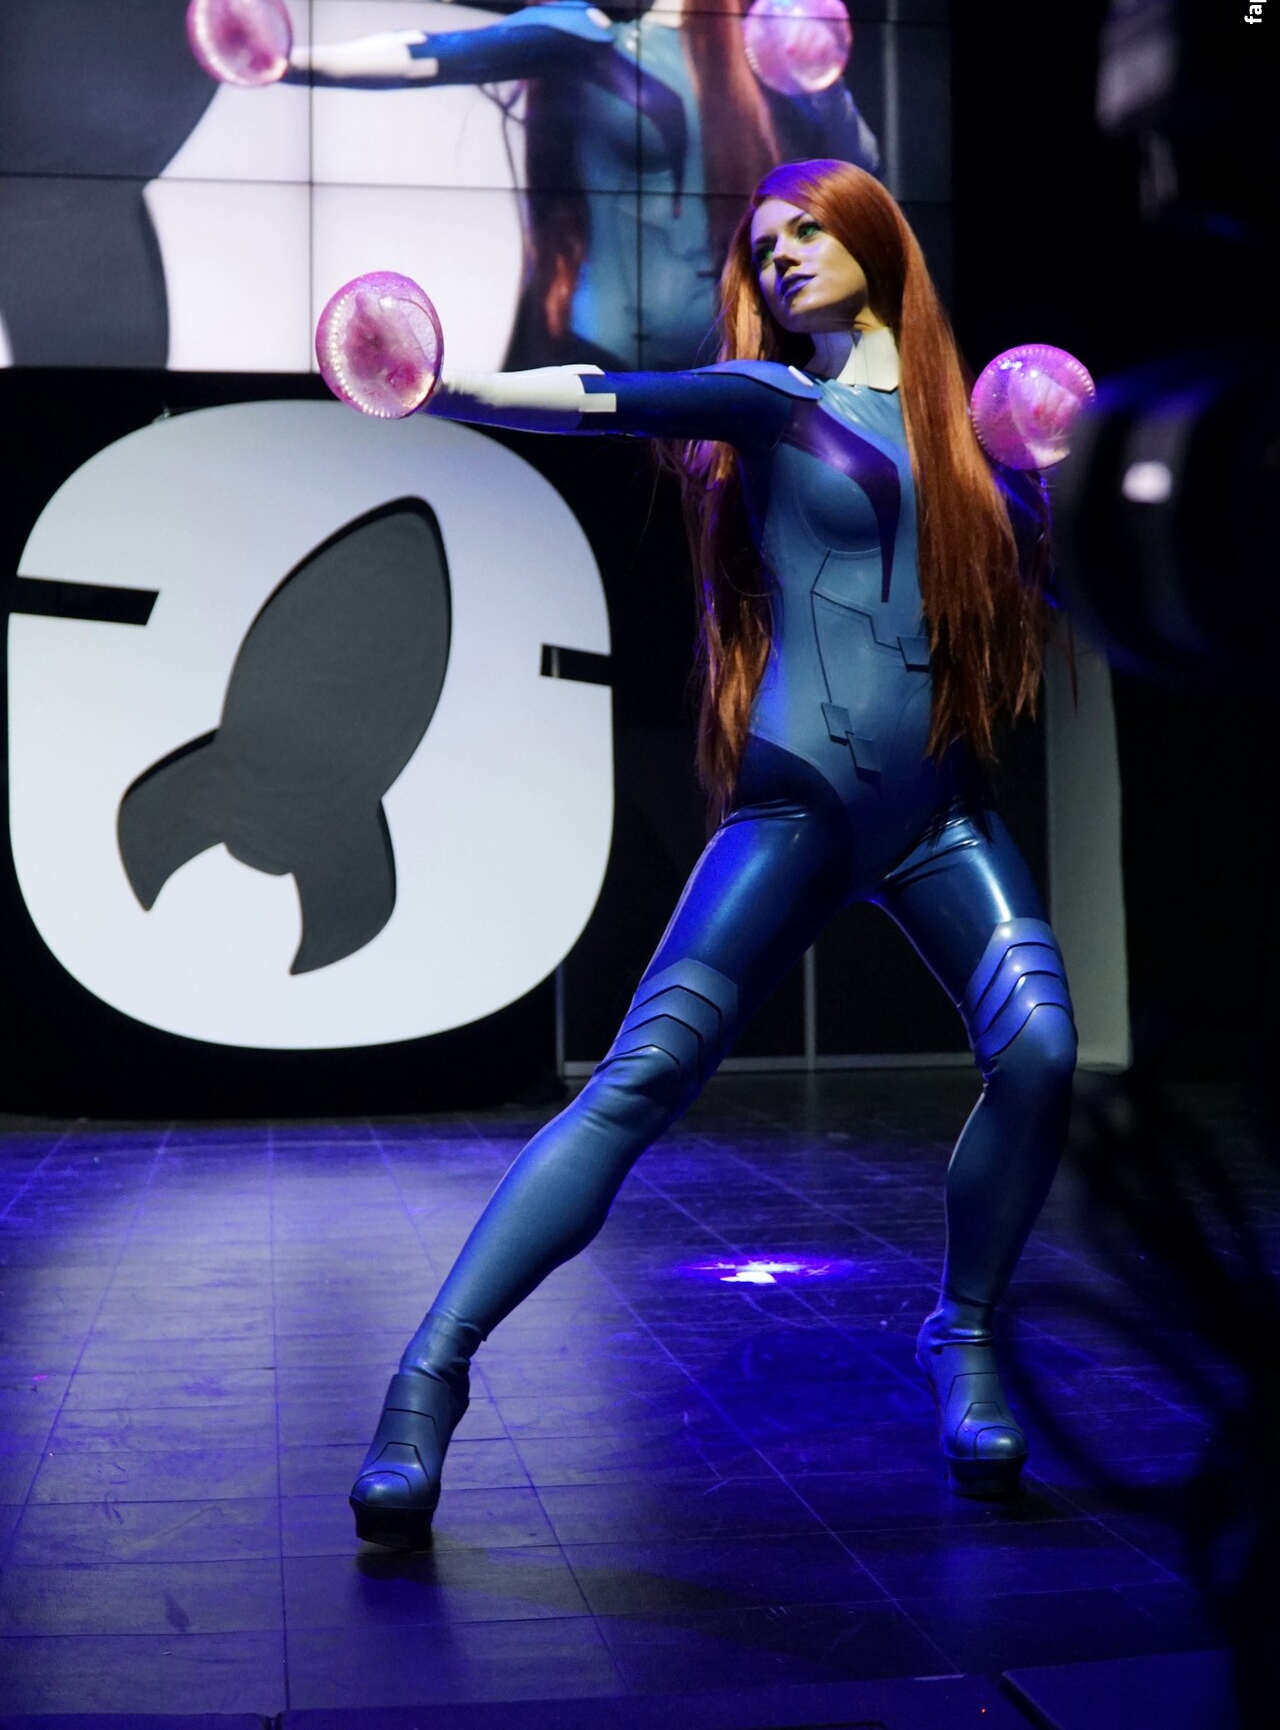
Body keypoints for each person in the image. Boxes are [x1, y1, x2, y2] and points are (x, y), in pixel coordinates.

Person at [348, 157, 1077, 1550]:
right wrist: (446, 387)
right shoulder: (773, 402)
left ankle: (965, 1334)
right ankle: (424, 1382)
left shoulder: (977, 443)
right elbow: (602, 395)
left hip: (940, 818)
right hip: (795, 817)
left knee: (1040, 1054)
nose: (782, 254)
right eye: (765, 243)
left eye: (808, 229)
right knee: (635, 1087)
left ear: (876, 239)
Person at [291, 0, 879, 371]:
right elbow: (432, 53)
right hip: (609, 362)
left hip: (733, 359)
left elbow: (859, 168)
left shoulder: (744, 40)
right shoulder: (583, 34)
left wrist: (822, 84)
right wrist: (288, 62)